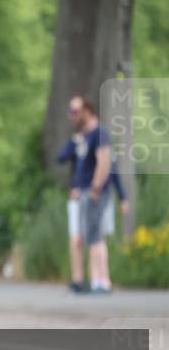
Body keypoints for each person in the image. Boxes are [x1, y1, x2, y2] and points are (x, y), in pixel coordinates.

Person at [64, 97, 117, 294]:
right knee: (91, 237)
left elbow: (105, 162)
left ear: (87, 110)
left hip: (95, 193)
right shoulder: (83, 136)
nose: (72, 115)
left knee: (95, 237)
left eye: (75, 111)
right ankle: (95, 280)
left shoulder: (100, 133)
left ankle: (102, 281)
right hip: (85, 193)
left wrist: (95, 188)